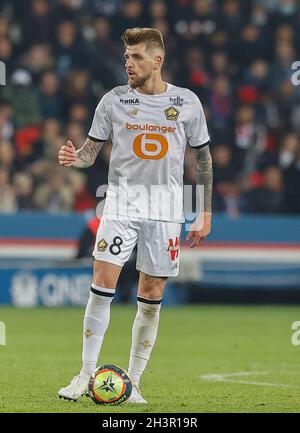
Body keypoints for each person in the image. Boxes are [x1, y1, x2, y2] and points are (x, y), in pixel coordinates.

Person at [57, 27, 213, 404]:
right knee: (102, 282)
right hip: (121, 204)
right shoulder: (113, 101)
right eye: (126, 57)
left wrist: (204, 212)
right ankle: (85, 374)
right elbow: (92, 152)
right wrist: (75, 158)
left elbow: (203, 159)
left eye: (137, 57)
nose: (128, 63)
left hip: (165, 210)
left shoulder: (187, 102)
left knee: (151, 292)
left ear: (157, 61)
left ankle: (135, 384)